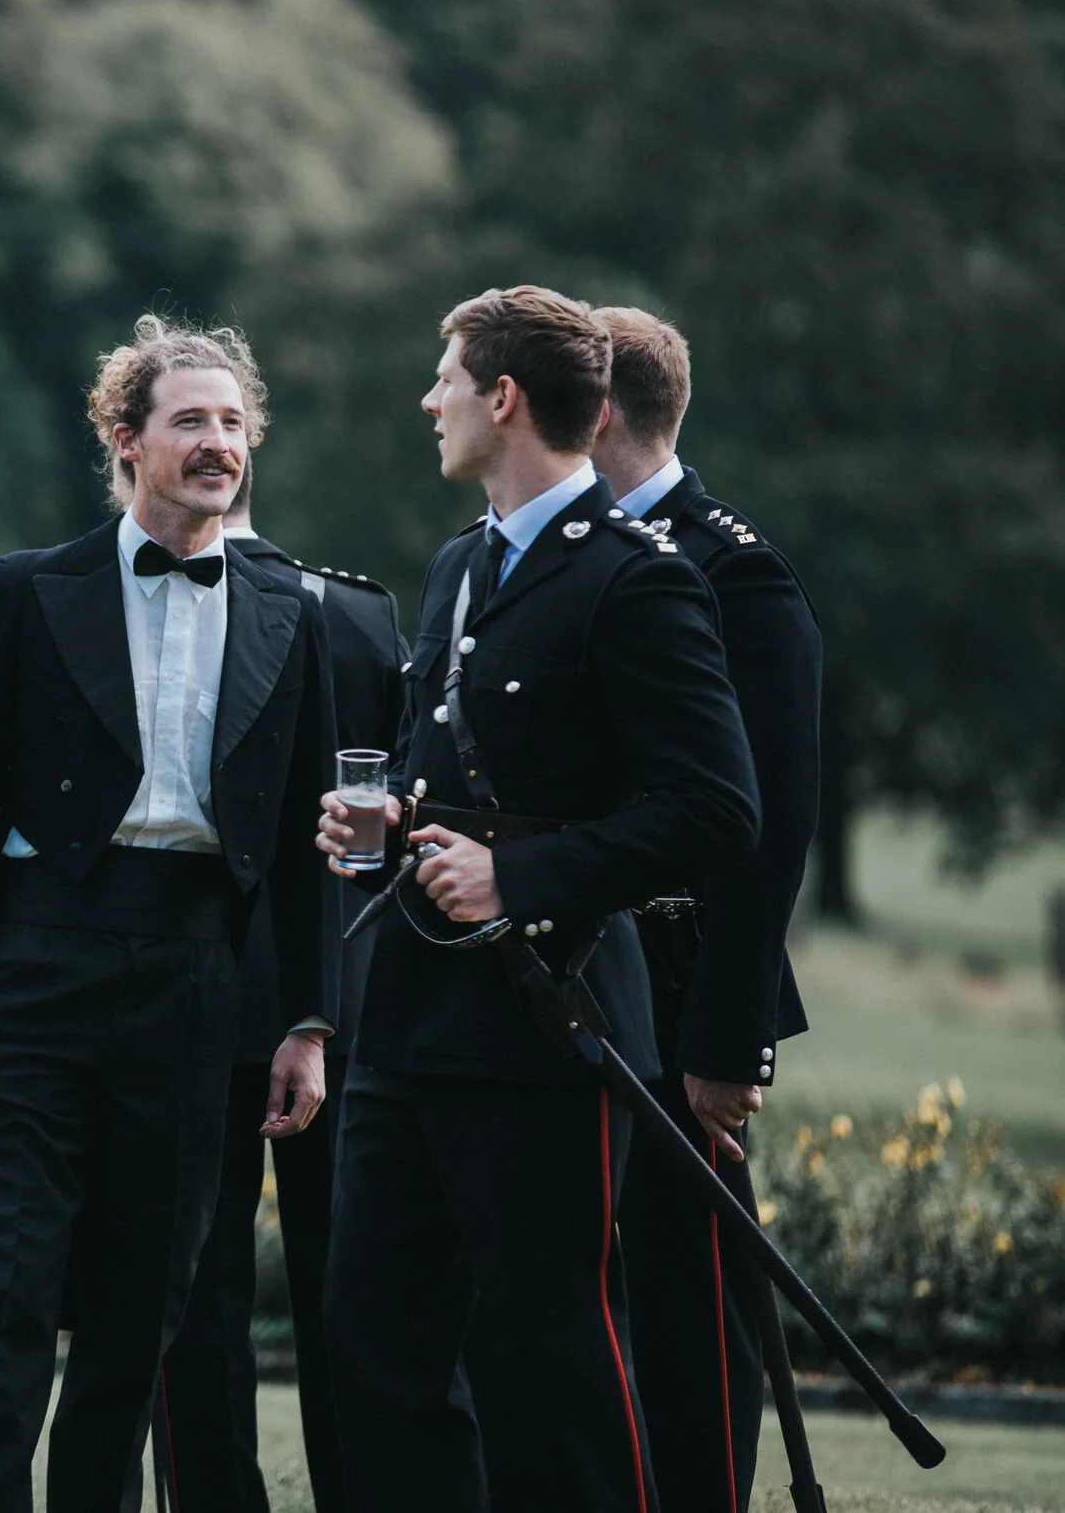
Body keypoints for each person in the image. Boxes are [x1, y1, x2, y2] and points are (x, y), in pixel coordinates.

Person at [315, 286, 759, 1513]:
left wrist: (519, 873)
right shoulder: (461, 562)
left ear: (502, 398)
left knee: (545, 1355)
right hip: (409, 1017)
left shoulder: (635, 579)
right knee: (374, 1341)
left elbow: (716, 811)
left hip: (545, 1028)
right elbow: (443, 771)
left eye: (444, 377)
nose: (429, 400)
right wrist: (388, 819)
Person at [0, 314, 338, 1513]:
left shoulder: (288, 607)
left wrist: (305, 1019)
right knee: (9, 1285)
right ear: (127, 438)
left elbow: (305, 843)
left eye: (232, 424)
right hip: (32, 967)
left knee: (141, 1303)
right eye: (189, 421)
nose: (217, 444)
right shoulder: (26, 590)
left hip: (199, 980)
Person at [593, 306, 823, 1513]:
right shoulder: (558, 552)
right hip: (576, 976)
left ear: (600, 409)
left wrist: (727, 1040)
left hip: (688, 986)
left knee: (689, 1296)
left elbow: (772, 823)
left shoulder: (734, 567)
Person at [146, 460, 408, 1513]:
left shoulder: (143, 611)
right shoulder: (357, 608)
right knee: (346, 1287)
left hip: (191, 988)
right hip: (339, 993)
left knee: (194, 1291)